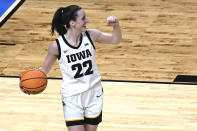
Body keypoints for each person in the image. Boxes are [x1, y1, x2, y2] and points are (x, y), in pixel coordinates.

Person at [21, 5, 121, 131]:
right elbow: (43, 70)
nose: (87, 21)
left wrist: (116, 26)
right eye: (83, 18)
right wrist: (26, 82)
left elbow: (115, 40)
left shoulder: (91, 35)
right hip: (72, 96)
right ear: (72, 23)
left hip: (93, 92)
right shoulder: (57, 46)